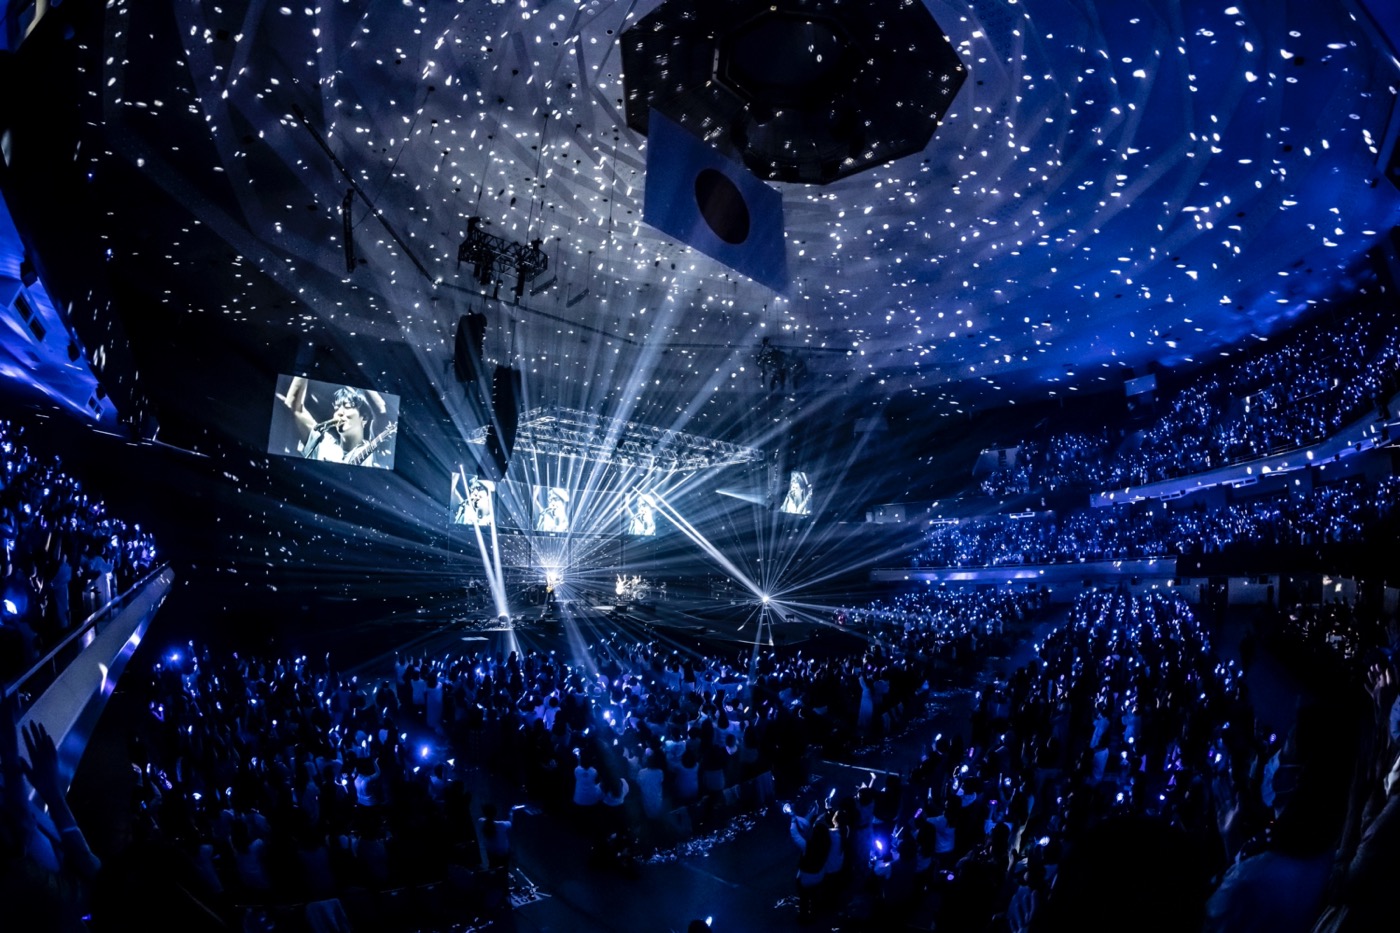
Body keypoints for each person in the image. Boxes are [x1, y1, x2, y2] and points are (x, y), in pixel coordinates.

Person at [283, 376, 392, 467]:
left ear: (364, 418)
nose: (339, 413)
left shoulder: (375, 450)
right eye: (336, 408)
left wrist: (360, 377)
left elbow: (381, 411)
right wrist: (304, 370)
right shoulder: (323, 444)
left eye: (347, 407)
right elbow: (294, 405)